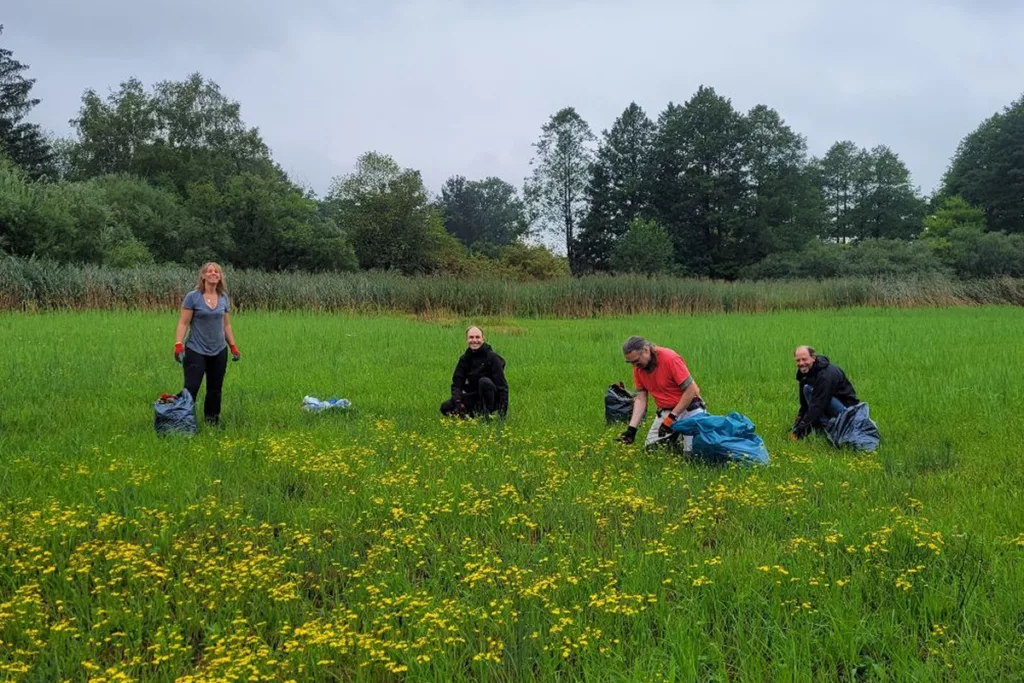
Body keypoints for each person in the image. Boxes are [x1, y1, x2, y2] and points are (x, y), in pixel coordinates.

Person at [173, 262, 240, 426]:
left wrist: (233, 346)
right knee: (192, 386)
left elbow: (226, 325)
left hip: (219, 350)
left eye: (216, 271)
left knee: (215, 389)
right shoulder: (193, 297)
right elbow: (183, 323)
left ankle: (212, 422)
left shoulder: (223, 298)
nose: (213, 273)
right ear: (203, 276)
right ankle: (183, 421)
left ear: (220, 277)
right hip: (196, 349)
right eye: (209, 271)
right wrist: (178, 344)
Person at [615, 336, 707, 451]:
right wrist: (631, 429)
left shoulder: (670, 359)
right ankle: (676, 439)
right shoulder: (639, 368)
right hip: (666, 411)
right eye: (631, 363)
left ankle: (682, 438)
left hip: (690, 409)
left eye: (636, 361)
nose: (634, 366)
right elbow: (641, 399)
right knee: (651, 450)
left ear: (646, 350)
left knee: (693, 455)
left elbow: (690, 391)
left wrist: (671, 418)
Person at [790, 345, 859, 439]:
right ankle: (819, 425)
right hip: (827, 402)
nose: (801, 363)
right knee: (807, 388)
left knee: (811, 393)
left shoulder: (825, 375)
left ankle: (828, 428)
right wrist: (798, 422)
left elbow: (817, 405)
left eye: (804, 359)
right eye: (798, 360)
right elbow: (805, 404)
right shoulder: (805, 372)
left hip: (847, 412)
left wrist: (799, 433)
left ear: (813, 358)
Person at [440, 326, 508, 419]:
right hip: (474, 396)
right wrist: (458, 403)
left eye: (477, 337)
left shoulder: (492, 357)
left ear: (483, 339)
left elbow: (503, 388)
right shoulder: (464, 359)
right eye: (471, 337)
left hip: (492, 397)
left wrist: (502, 415)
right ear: (467, 340)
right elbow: (457, 384)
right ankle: (468, 418)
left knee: (484, 382)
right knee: (446, 407)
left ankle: (487, 416)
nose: (474, 340)